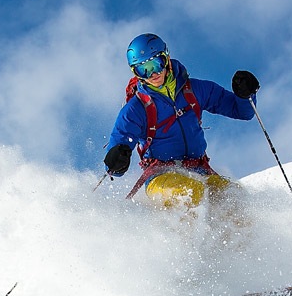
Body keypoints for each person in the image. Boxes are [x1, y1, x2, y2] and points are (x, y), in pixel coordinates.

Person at [103, 33, 260, 209]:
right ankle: (181, 236)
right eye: (143, 69)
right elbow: (118, 149)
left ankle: (244, 237)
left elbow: (241, 111)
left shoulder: (195, 90)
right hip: (160, 177)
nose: (153, 73)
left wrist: (245, 95)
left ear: (167, 58)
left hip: (199, 170)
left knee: (234, 197)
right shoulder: (136, 109)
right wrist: (117, 160)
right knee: (190, 192)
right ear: (136, 73)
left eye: (156, 63)